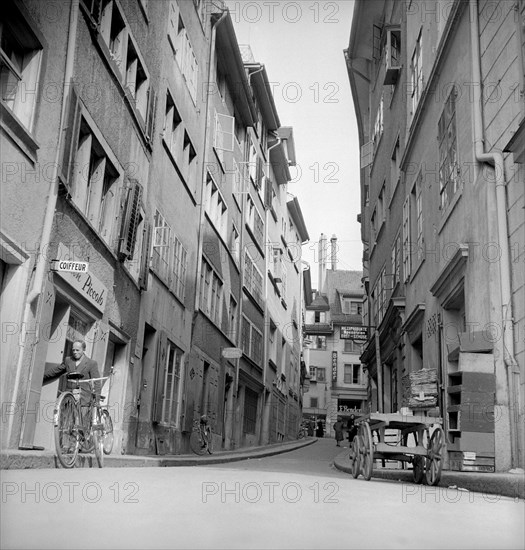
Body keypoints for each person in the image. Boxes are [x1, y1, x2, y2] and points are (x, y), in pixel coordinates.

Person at [44, 340, 102, 406]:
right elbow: (56, 371)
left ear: (84, 349)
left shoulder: (91, 363)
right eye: (73, 350)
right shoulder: (68, 360)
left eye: (77, 350)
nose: (75, 352)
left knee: (81, 415)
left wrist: (97, 400)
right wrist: (41, 377)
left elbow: (97, 383)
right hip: (69, 398)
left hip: (83, 400)